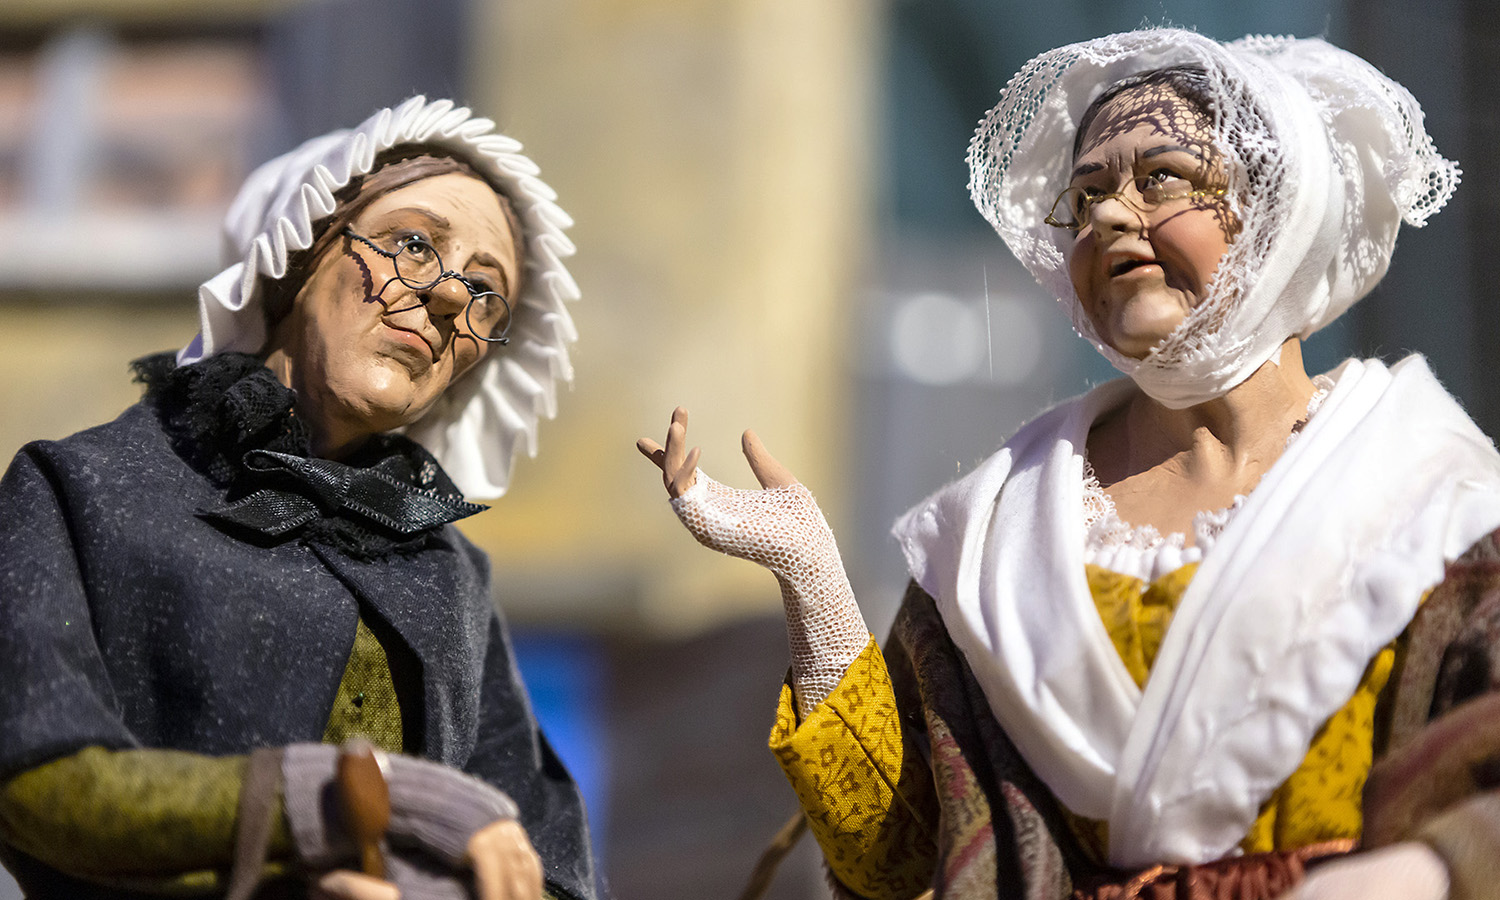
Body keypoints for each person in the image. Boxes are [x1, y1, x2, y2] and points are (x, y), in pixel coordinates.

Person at [641, 29, 1500, 900]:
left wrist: (1432, 867)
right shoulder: (995, 532)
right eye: (1085, 196)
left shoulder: (1432, 494)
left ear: (1276, 210)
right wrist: (810, 573)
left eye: (1159, 177)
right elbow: (893, 859)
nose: (1110, 217)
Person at [0, 96, 596, 900]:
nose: (452, 300)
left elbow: (546, 863)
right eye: (413, 245)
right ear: (299, 255)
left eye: (486, 296)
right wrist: (342, 803)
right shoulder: (84, 492)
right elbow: (37, 778)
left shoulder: (450, 577)